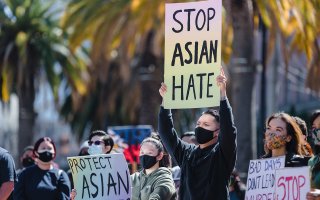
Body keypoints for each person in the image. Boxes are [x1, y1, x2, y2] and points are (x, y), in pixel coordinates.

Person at [158, 68, 237, 199]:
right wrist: (166, 101)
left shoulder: (221, 155)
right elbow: (165, 132)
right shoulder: (186, 154)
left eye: (206, 125)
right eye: (198, 124)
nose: (200, 128)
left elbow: (229, 130)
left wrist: (223, 95)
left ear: (217, 132)